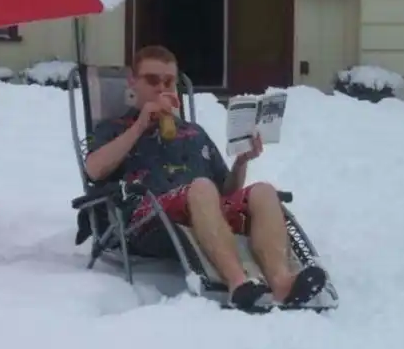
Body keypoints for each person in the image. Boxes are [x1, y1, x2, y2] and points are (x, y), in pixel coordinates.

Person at [84, 45, 326, 313]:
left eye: (169, 81)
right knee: (200, 187)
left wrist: (242, 161)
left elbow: (226, 190)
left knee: (263, 191)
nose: (161, 88)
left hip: (204, 210)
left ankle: (281, 282)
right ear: (133, 81)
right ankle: (238, 283)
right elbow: (93, 170)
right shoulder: (114, 128)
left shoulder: (193, 132)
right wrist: (141, 125)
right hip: (148, 219)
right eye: (152, 80)